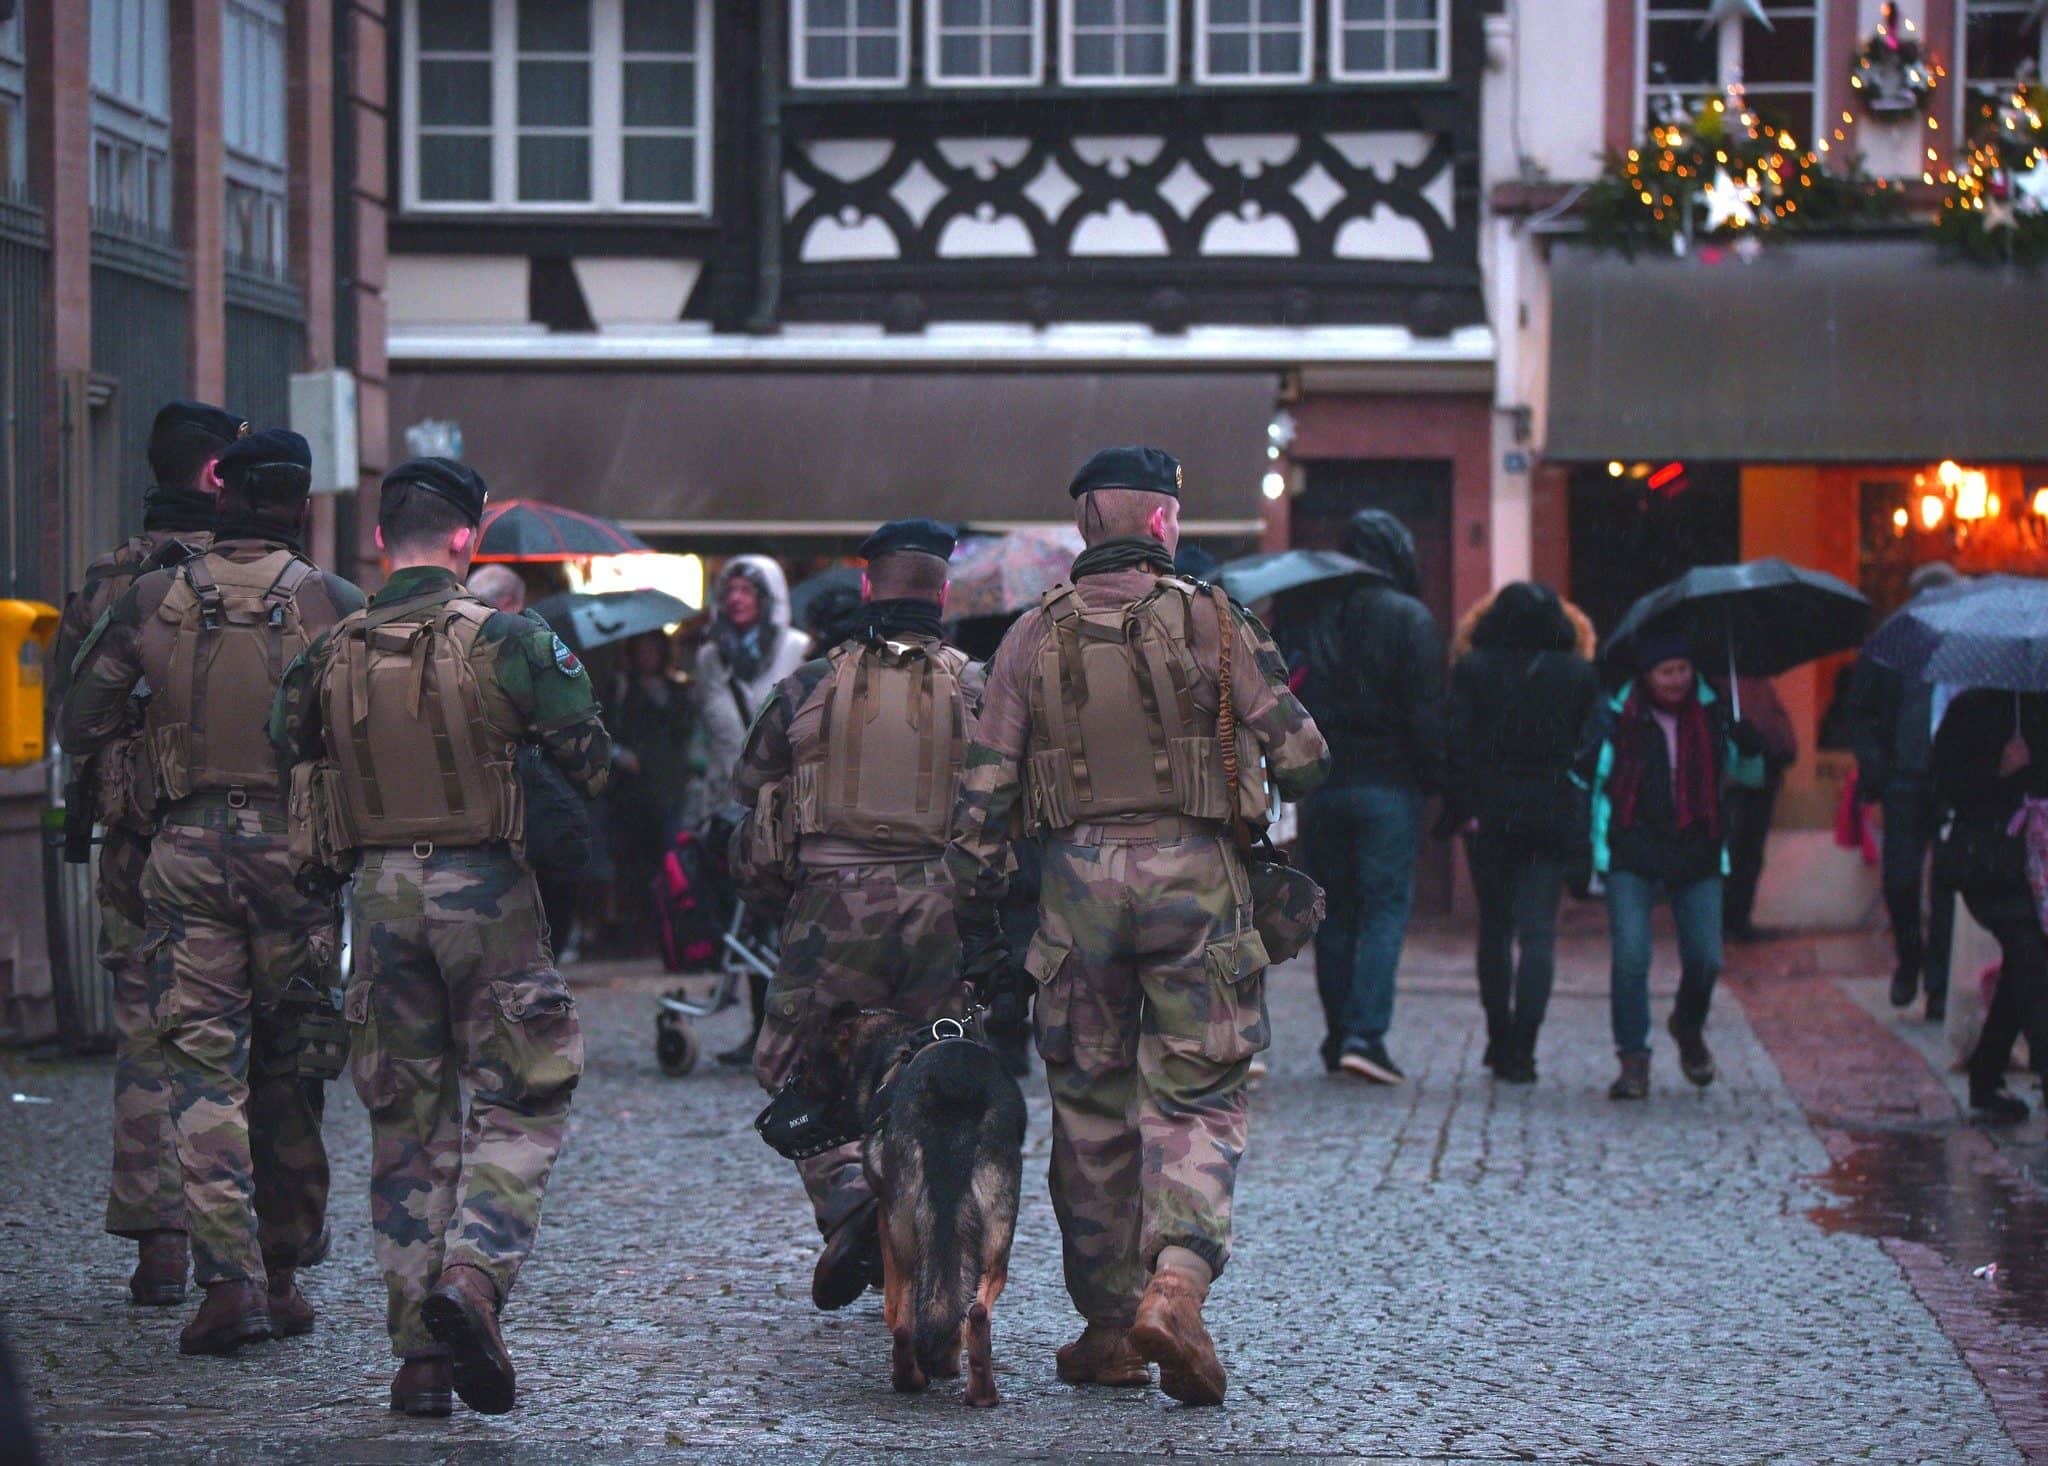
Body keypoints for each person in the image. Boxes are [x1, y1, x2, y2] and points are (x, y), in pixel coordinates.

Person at [949, 447, 1329, 1406]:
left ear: (1087, 524)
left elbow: (984, 797)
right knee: (1198, 1092)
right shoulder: (1215, 619)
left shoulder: (1031, 635)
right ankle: (1177, 1287)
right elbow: (1308, 757)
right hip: (1196, 882)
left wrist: (981, 908)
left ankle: (1110, 1327)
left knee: (1090, 1108)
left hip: (1076, 891)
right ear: (1162, 522)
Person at [270, 458, 612, 1417]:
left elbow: (281, 740)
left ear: (382, 541)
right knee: (524, 1094)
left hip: (377, 897)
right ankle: (475, 1274)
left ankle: (420, 1362)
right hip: (488, 893)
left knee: (404, 1128)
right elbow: (588, 756)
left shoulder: (332, 649)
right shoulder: (509, 639)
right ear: (469, 539)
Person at [62, 429, 363, 1356]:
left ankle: (224, 1282)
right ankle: (281, 1273)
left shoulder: (154, 596)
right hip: (297, 857)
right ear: (303, 506)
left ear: (222, 494)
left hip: (187, 852)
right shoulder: (335, 603)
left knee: (201, 1063)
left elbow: (80, 720)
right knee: (292, 1066)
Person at [730, 518, 981, 1310]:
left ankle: (846, 1190)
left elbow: (749, 780)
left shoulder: (809, 685)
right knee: (936, 1073)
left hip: (831, 908)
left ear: (868, 586)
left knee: (799, 1064)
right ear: (944, 592)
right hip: (943, 908)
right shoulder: (978, 687)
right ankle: (934, 1257)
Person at [49, 400, 239, 1310]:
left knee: (142, 1031)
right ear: (214, 477)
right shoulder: (243, 577)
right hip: (224, 833)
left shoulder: (102, 581)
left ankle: (161, 1244)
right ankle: (240, 1253)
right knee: (233, 1033)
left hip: (130, 837)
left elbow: (71, 713)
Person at [1287, 509, 1443, 1083]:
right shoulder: (1410, 619)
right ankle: (1365, 1036)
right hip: (1388, 786)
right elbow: (1426, 718)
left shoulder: (1309, 613)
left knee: (1336, 914)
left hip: (1322, 785)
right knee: (1383, 911)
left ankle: (1338, 1036)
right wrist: (1436, 784)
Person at [1579, 634, 1765, 1101]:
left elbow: (1748, 777)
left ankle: (1687, 1024)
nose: (1677, 679)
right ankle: (1634, 1059)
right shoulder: (1616, 715)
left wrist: (1748, 748)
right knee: (1632, 956)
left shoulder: (1714, 711)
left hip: (1696, 847)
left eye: (1683, 668)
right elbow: (1591, 779)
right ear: (1646, 675)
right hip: (1632, 846)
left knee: (1706, 958)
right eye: (1666, 671)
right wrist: (1585, 850)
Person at [1443, 583, 1600, 1084]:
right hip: (1551, 812)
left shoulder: (1473, 669)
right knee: (1538, 934)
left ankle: (1498, 1037)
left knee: (1495, 930)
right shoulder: (1578, 674)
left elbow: (1457, 744)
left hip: (1490, 815)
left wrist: (1463, 806)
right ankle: (1524, 1050)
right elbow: (1590, 747)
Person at [689, 555, 812, 1064]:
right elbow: (708, 731)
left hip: (783, 810)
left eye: (748, 589)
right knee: (740, 920)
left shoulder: (798, 649)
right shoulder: (710, 658)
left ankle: (789, 1031)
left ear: (768, 597)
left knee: (780, 918)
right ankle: (757, 1026)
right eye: (730, 589)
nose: (737, 598)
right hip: (726, 807)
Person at [1929, 688, 2048, 1123]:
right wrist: (1998, 768)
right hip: (1990, 863)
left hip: (2038, 860)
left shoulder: (2038, 707)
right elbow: (1943, 783)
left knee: (2025, 963)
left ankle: (1985, 1074)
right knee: (2032, 955)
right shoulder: (1971, 710)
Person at [1853, 562, 1963, 1021]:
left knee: (1948, 886)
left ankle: (1939, 985)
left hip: (1954, 780)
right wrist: (1876, 767)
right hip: (1904, 777)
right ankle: (1911, 959)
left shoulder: (1964, 649)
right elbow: (1860, 711)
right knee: (1900, 880)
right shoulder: (1891, 648)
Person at [607, 630, 695, 942]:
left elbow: (684, 731)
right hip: (632, 790)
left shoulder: (675, 690)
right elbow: (609, 729)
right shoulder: (621, 689)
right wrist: (619, 754)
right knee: (635, 862)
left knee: (668, 856)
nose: (648, 657)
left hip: (667, 784)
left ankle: (669, 927)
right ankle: (640, 928)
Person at [1714, 675, 1797, 942]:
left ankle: (1738, 919)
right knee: (1735, 849)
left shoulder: (1759, 685)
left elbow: (1778, 725)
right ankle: (1727, 919)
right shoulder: (1716, 685)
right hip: (1734, 779)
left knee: (1749, 852)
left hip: (1760, 775)